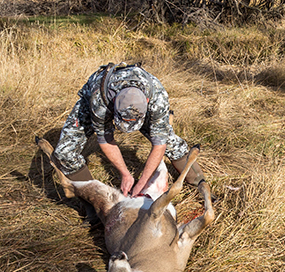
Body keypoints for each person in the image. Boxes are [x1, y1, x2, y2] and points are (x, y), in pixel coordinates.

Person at [52, 62, 209, 200]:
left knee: (170, 142)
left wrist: (142, 181)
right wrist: (125, 174)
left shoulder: (157, 97)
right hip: (96, 100)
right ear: (114, 106)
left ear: (147, 103)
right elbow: (105, 139)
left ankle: (200, 183)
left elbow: (159, 144)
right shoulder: (99, 100)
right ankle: (94, 205)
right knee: (65, 153)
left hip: (142, 97)